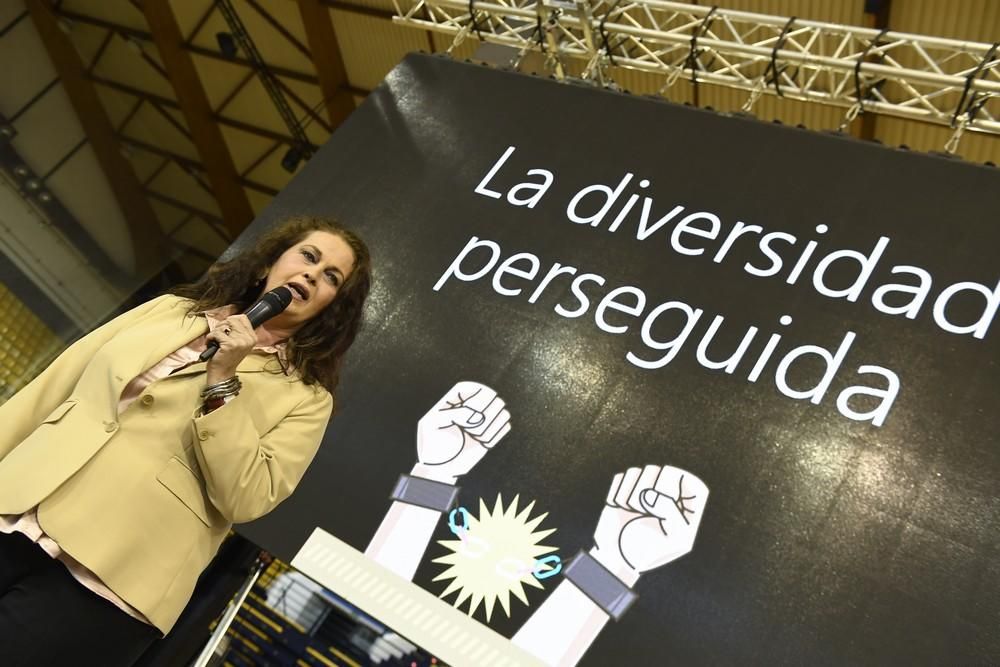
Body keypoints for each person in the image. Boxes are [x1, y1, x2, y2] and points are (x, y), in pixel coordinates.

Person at [0, 215, 372, 666]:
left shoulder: (307, 398)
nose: (313, 273)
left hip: (111, 575)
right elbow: (56, 385)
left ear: (332, 307)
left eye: (331, 276)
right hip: (17, 506)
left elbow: (250, 495)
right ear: (267, 266)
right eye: (308, 256)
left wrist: (223, 381)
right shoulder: (174, 311)